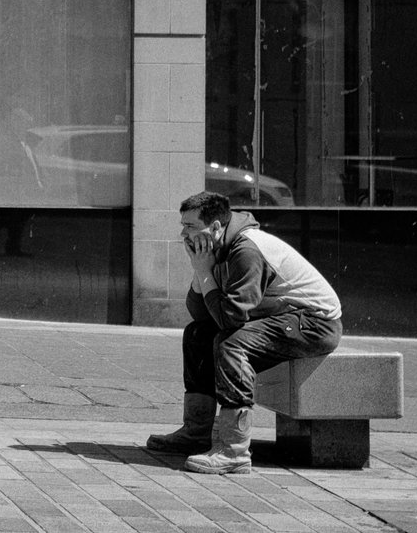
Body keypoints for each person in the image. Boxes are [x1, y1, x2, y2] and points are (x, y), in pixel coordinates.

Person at [145, 191, 342, 474]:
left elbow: (229, 319)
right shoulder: (218, 247)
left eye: (190, 226)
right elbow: (202, 315)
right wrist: (201, 269)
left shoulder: (246, 251)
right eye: (183, 225)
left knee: (232, 344)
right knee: (197, 335)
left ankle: (234, 451)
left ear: (214, 227)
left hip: (315, 323)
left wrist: (204, 271)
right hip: (281, 317)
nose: (183, 234)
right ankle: (196, 431)